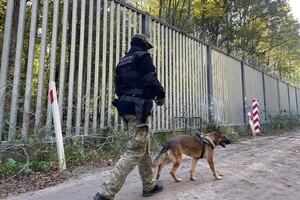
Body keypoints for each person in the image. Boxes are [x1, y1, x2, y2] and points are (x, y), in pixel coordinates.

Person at [93, 33, 166, 200]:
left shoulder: (122, 62)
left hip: (125, 107)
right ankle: (106, 192)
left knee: (143, 148)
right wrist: (161, 95)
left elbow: (118, 89)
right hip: (138, 108)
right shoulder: (143, 57)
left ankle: (149, 186)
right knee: (135, 150)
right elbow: (150, 80)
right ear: (144, 45)